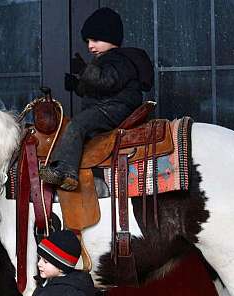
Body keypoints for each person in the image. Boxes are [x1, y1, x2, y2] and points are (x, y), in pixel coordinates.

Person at [39, 6, 154, 191]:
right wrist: (77, 85)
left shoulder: (120, 59)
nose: (90, 46)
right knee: (84, 134)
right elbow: (97, 88)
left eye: (96, 40)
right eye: (88, 41)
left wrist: (84, 70)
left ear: (111, 38)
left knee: (78, 125)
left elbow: (106, 81)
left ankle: (65, 170)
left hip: (117, 108)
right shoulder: (106, 60)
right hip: (108, 105)